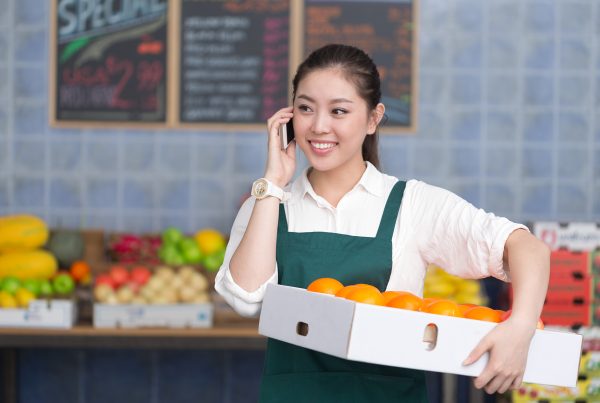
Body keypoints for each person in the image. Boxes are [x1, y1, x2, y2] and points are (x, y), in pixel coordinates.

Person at [215, 44, 550, 402]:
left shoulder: (411, 204)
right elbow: (246, 298)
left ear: (373, 118)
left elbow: (526, 247)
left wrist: (521, 327)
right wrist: (273, 183)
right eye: (305, 108)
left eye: (339, 111)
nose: (319, 126)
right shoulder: (268, 203)